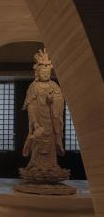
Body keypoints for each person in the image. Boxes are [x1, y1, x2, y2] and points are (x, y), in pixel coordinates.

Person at [19, 48, 70, 183]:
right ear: (37, 72)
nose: (46, 74)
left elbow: (60, 100)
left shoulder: (55, 86)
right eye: (43, 72)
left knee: (51, 144)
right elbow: (31, 106)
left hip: (52, 122)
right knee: (38, 141)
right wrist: (35, 122)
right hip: (39, 122)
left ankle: (51, 165)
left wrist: (53, 101)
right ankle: (36, 165)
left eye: (48, 72)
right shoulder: (33, 87)